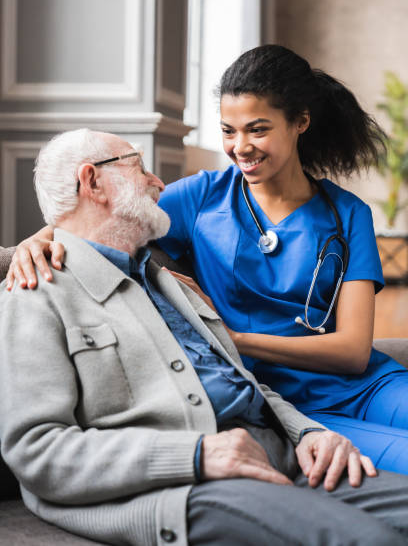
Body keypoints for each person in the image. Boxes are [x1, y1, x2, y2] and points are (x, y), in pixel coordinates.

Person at [5, 46, 408, 475]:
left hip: (370, 385)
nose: (241, 147)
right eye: (228, 131)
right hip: (285, 403)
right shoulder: (199, 198)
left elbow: (352, 352)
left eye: (257, 129)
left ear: (300, 122)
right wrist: (34, 242)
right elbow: (99, 221)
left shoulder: (348, 214)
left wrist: (232, 338)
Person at [3, 128, 408, 546]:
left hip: (281, 450)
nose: (159, 183)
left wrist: (308, 432)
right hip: (189, 482)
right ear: (92, 181)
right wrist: (197, 455)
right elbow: (34, 449)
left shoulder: (168, 284)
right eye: (139, 167)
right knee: (369, 539)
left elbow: (244, 383)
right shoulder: (35, 295)